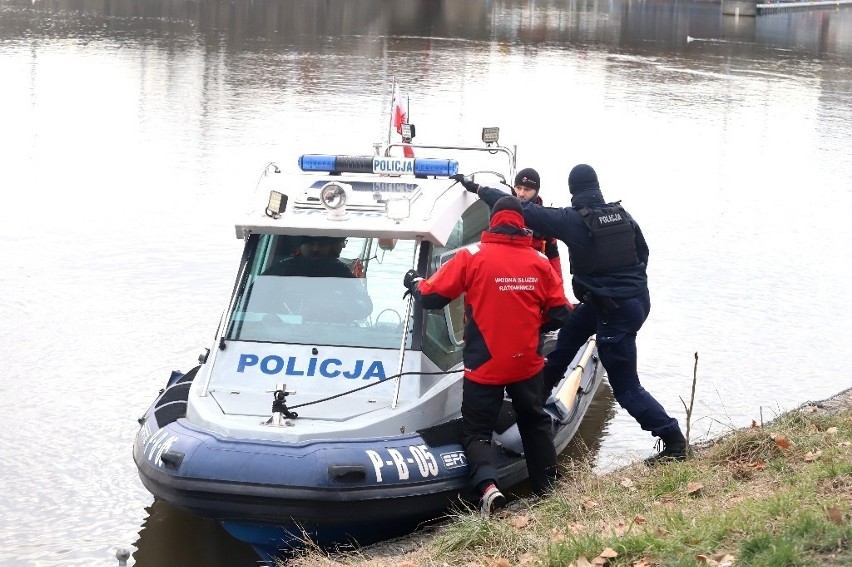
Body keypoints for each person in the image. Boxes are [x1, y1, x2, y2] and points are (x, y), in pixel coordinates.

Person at [452, 165, 687, 464]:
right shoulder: (623, 216)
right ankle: (535, 401)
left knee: (627, 387)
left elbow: (522, 210)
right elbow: (644, 254)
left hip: (615, 311)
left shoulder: (573, 220)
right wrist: (617, 286)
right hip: (628, 300)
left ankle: (673, 439)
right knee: (569, 336)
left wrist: (478, 189)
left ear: (574, 191)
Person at [402, 196, 572, 516]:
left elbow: (432, 298)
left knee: (477, 431)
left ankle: (488, 487)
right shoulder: (538, 261)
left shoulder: (472, 256)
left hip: (485, 364)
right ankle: (547, 488)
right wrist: (535, 323)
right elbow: (561, 313)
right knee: (534, 422)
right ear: (522, 224)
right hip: (526, 363)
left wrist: (414, 283)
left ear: (493, 221)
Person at [265, 235, 372, 321]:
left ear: (330, 247)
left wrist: (339, 310)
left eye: (322, 244)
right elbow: (252, 297)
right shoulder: (283, 268)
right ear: (301, 246)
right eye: (311, 244)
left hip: (328, 335)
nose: (315, 249)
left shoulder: (339, 270)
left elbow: (364, 307)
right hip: (284, 336)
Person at [512, 168, 562, 279]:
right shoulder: (503, 212)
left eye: (527, 189)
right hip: (508, 277)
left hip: (534, 278)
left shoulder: (546, 219)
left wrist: (559, 288)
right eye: (518, 188)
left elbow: (553, 256)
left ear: (536, 191)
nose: (521, 193)